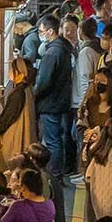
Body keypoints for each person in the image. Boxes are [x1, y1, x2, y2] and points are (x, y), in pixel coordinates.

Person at [33, 15, 75, 180]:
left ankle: (54, 174)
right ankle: (58, 171)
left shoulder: (52, 53)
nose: (40, 34)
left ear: (50, 31)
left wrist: (33, 94)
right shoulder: (64, 47)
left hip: (50, 103)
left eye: (42, 31)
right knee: (59, 138)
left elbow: (43, 81)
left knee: (53, 141)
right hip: (61, 100)